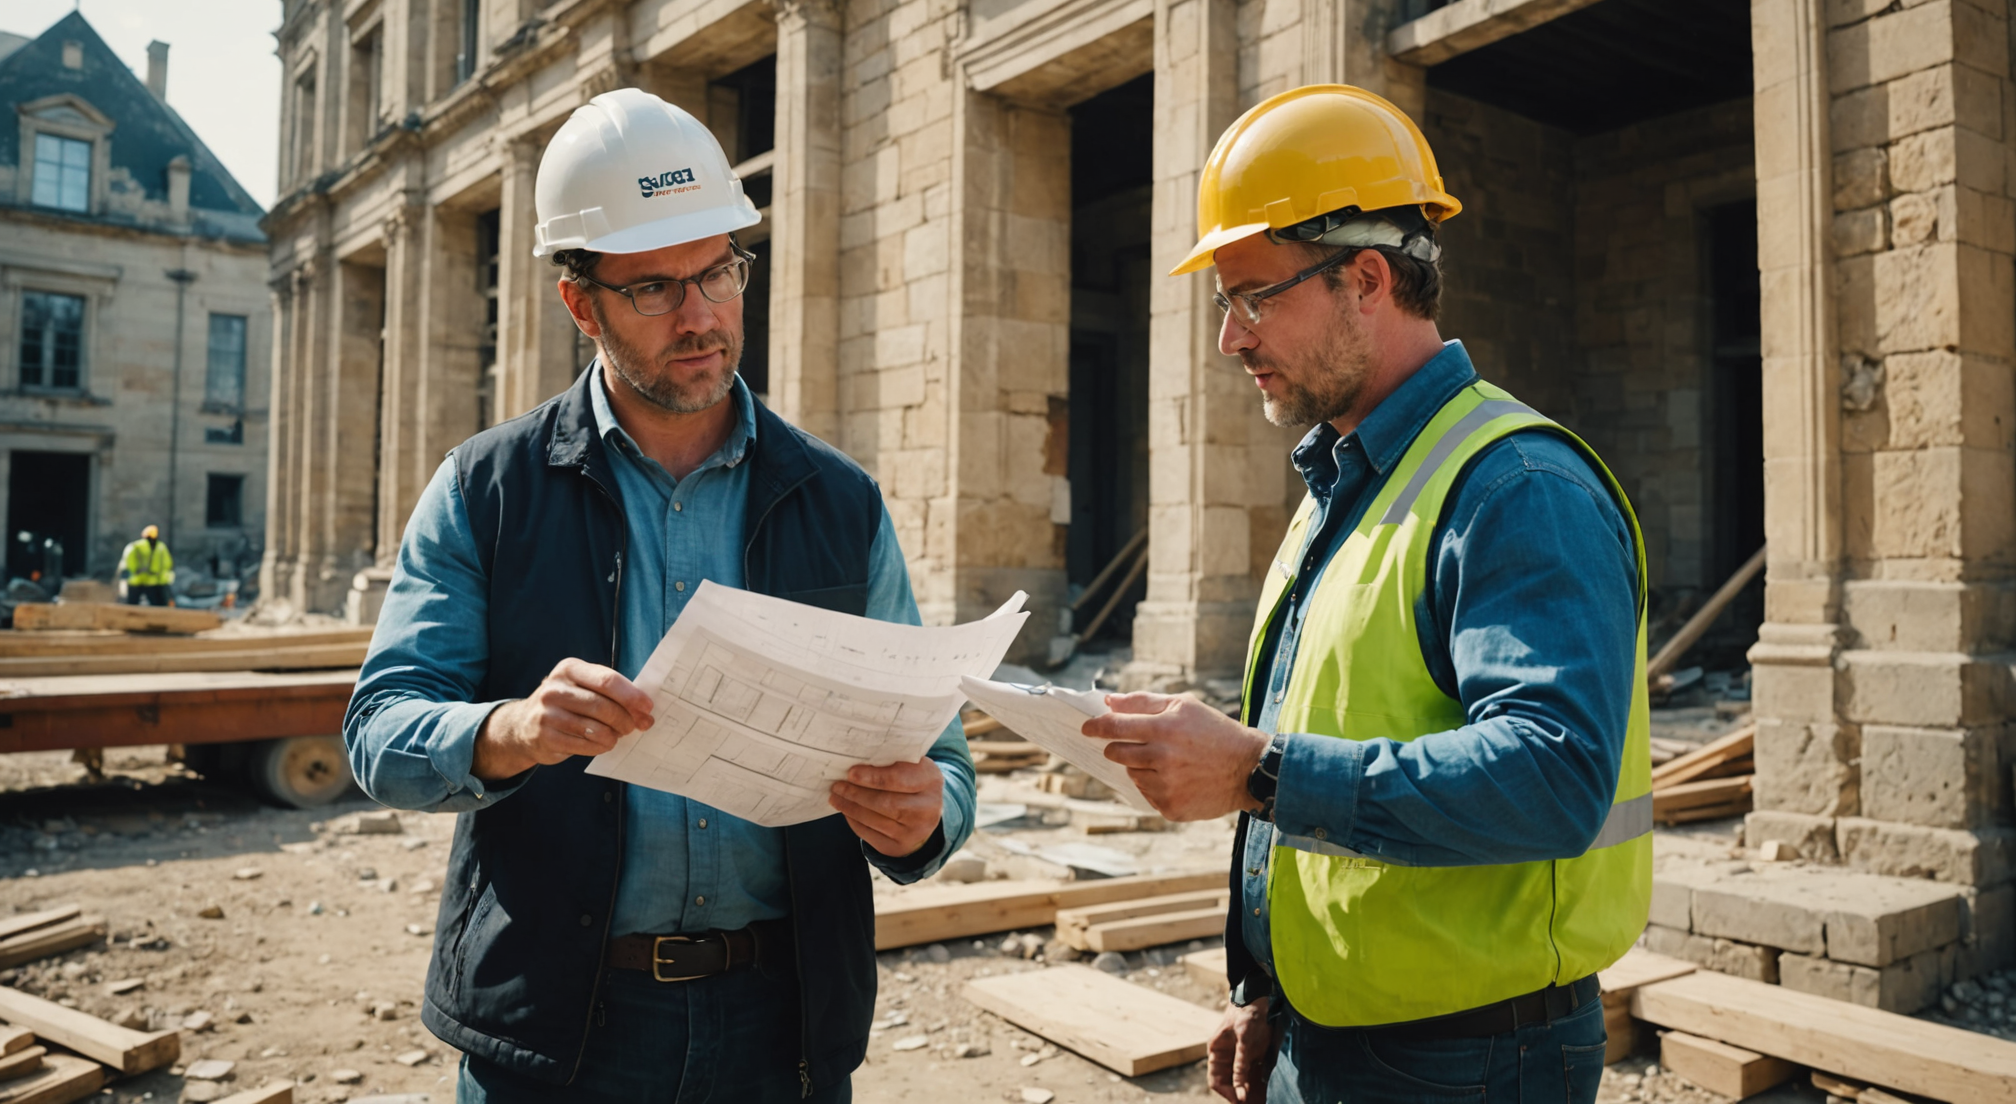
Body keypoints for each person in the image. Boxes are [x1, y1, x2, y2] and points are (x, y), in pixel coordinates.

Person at [343, 89, 974, 1104]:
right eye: (654, 289)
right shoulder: (486, 491)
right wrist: (511, 730)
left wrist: (928, 815)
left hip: (783, 1027)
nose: (702, 315)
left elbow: (941, 753)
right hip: (561, 1028)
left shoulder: (840, 500)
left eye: (720, 271)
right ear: (579, 302)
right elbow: (378, 730)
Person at [1083, 85, 1651, 1103]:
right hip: (1336, 1030)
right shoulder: (1347, 485)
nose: (1231, 338)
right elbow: (1341, 731)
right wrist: (1273, 994)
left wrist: (1257, 772)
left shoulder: (1517, 487)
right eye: (1225, 302)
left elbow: (1554, 778)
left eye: (1254, 296)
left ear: (1368, 278)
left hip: (1472, 1058)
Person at [119, 525, 173, 605]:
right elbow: (167, 563)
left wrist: (134, 571)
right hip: (153, 581)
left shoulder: (135, 546)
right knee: (156, 606)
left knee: (132, 606)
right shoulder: (161, 547)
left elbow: (128, 561)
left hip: (135, 580)